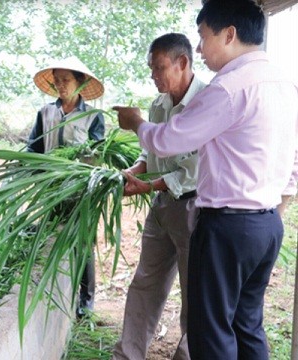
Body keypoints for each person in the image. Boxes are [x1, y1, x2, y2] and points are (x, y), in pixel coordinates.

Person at [113, 1, 298, 359]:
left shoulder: (227, 88)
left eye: (202, 36)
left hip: (225, 226)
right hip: (266, 224)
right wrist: (277, 209)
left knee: (210, 332)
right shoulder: (285, 85)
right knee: (247, 324)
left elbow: (168, 140)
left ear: (229, 34)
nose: (199, 47)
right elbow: (294, 159)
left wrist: (136, 122)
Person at [112, 33, 206, 360]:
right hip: (162, 207)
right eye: (151, 69)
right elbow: (149, 152)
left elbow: (195, 166)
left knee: (195, 290)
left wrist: (150, 185)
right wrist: (136, 171)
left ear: (182, 63)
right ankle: (128, 354)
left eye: (159, 68)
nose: (154, 76)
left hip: (195, 208)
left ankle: (187, 355)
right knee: (146, 282)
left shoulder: (206, 102)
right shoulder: (158, 105)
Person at [26, 56, 106, 318]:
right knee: (50, 235)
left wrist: (80, 166)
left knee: (82, 243)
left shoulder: (92, 117)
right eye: (57, 81)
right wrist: (25, 168)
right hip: (50, 191)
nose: (60, 85)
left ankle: (86, 299)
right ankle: (57, 290)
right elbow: (34, 147)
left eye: (66, 80)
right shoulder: (46, 113)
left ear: (80, 82)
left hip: (80, 192)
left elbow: (97, 155)